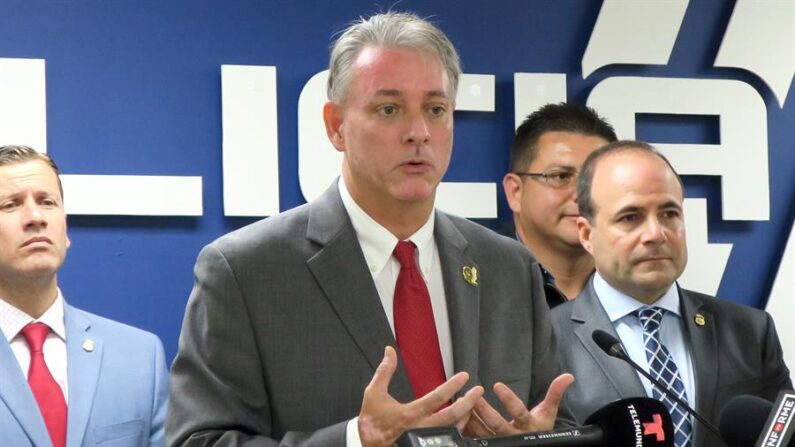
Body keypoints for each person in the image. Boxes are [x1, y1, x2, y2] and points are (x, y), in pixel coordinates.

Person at [167, 11, 573, 447]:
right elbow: (199, 441)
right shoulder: (246, 270)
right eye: (389, 109)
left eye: (435, 110)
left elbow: (555, 420)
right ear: (335, 126)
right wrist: (354, 440)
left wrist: (537, 442)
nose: (418, 132)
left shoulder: (508, 267)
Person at [550, 140, 792, 447]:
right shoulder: (545, 339)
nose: (655, 234)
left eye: (669, 214)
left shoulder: (750, 330)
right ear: (587, 235)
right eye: (630, 217)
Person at [0, 145, 168, 447]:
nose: (35, 217)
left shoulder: (141, 357)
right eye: (10, 205)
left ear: (65, 229)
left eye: (47, 201)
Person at [502, 103, 616, 305]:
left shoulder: (635, 287)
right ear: (515, 192)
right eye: (561, 176)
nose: (582, 194)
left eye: (597, 178)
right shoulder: (476, 285)